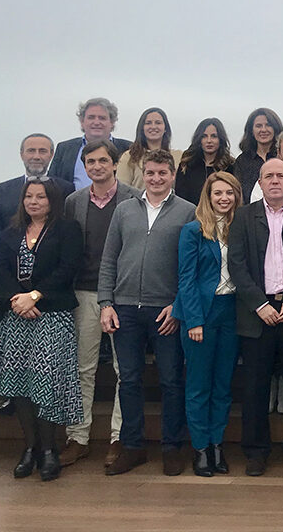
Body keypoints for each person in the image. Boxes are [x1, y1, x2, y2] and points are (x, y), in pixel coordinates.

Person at [98, 149, 196, 476]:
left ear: (172, 175)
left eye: (162, 174)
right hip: (124, 309)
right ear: (143, 173)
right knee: (129, 380)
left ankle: (172, 447)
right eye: (150, 173)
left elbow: (192, 266)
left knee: (171, 380)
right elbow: (110, 258)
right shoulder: (125, 210)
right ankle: (132, 447)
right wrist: (105, 303)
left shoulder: (189, 212)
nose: (156, 179)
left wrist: (178, 305)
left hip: (166, 310)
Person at [0, 178, 83, 481]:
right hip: (15, 316)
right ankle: (30, 448)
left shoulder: (67, 229)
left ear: (52, 201)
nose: (34, 201)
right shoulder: (9, 232)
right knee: (20, 384)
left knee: (45, 382)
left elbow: (67, 269)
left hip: (51, 314)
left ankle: (50, 449)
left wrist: (35, 296)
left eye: (41, 197)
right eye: (29, 196)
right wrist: (17, 300)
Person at [226, 158, 283, 476]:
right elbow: (236, 265)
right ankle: (255, 451)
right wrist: (258, 305)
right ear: (260, 184)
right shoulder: (242, 216)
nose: (275, 181)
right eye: (269, 176)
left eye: (281, 176)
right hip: (256, 313)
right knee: (254, 388)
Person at [60, 140, 134, 468]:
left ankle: (119, 437)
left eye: (103, 160)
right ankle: (77, 437)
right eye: (90, 161)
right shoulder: (73, 201)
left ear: (115, 164)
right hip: (84, 293)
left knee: (124, 370)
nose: (97, 166)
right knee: (81, 369)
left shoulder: (133, 198)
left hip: (124, 295)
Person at [173, 172, 242, 477]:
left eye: (229, 193)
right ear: (208, 196)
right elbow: (186, 279)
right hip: (200, 314)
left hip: (232, 313)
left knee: (223, 386)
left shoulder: (240, 229)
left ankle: (217, 445)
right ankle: (200, 449)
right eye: (218, 193)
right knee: (198, 386)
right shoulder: (193, 231)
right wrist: (194, 320)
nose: (223, 198)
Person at [0, 134, 75, 233]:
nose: (36, 157)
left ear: (51, 155)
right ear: (22, 154)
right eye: (31, 151)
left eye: (42, 151)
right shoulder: (5, 189)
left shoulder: (65, 188)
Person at [46, 98, 133, 190]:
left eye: (102, 118)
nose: (96, 122)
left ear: (112, 122)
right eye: (91, 117)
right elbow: (52, 182)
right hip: (72, 203)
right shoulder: (64, 148)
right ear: (82, 122)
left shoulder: (128, 149)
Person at [116, 107, 185, 190]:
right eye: (148, 123)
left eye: (158, 123)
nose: (153, 126)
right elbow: (122, 189)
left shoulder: (178, 156)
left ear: (165, 128)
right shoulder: (129, 157)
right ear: (142, 128)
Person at [174, 118, 236, 205]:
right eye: (204, 136)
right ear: (199, 139)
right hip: (192, 216)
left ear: (220, 139)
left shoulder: (230, 167)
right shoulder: (186, 165)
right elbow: (180, 198)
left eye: (214, 136)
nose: (209, 141)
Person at [233, 108, 283, 197]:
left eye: (268, 125)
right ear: (251, 131)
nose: (263, 130)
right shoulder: (242, 161)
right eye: (258, 126)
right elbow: (238, 193)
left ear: (275, 128)